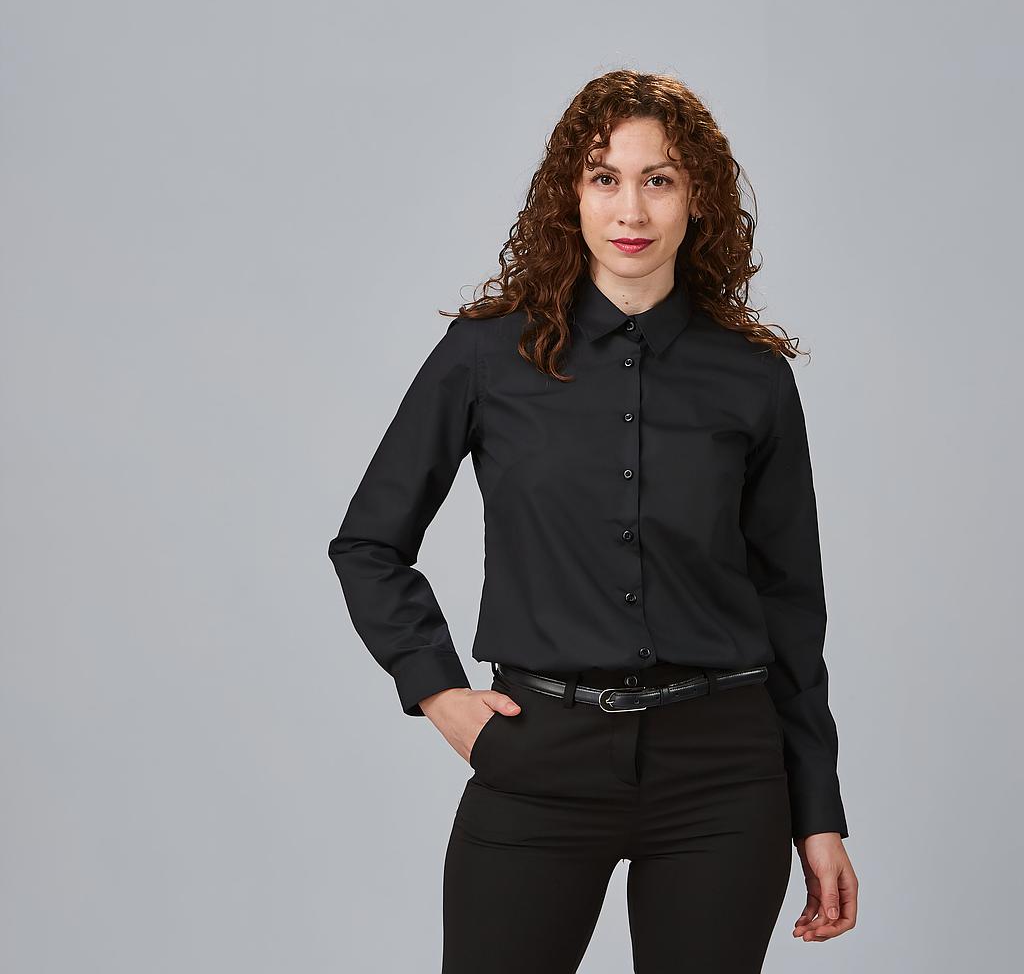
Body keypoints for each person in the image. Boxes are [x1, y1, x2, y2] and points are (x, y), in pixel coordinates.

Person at [327, 69, 859, 972]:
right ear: (569, 196)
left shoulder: (753, 379)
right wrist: (438, 693)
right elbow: (369, 543)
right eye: (605, 178)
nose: (632, 209)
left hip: (723, 775)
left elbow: (790, 604)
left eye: (660, 179)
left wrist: (818, 811)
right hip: (540, 758)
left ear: (698, 199)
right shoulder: (486, 356)